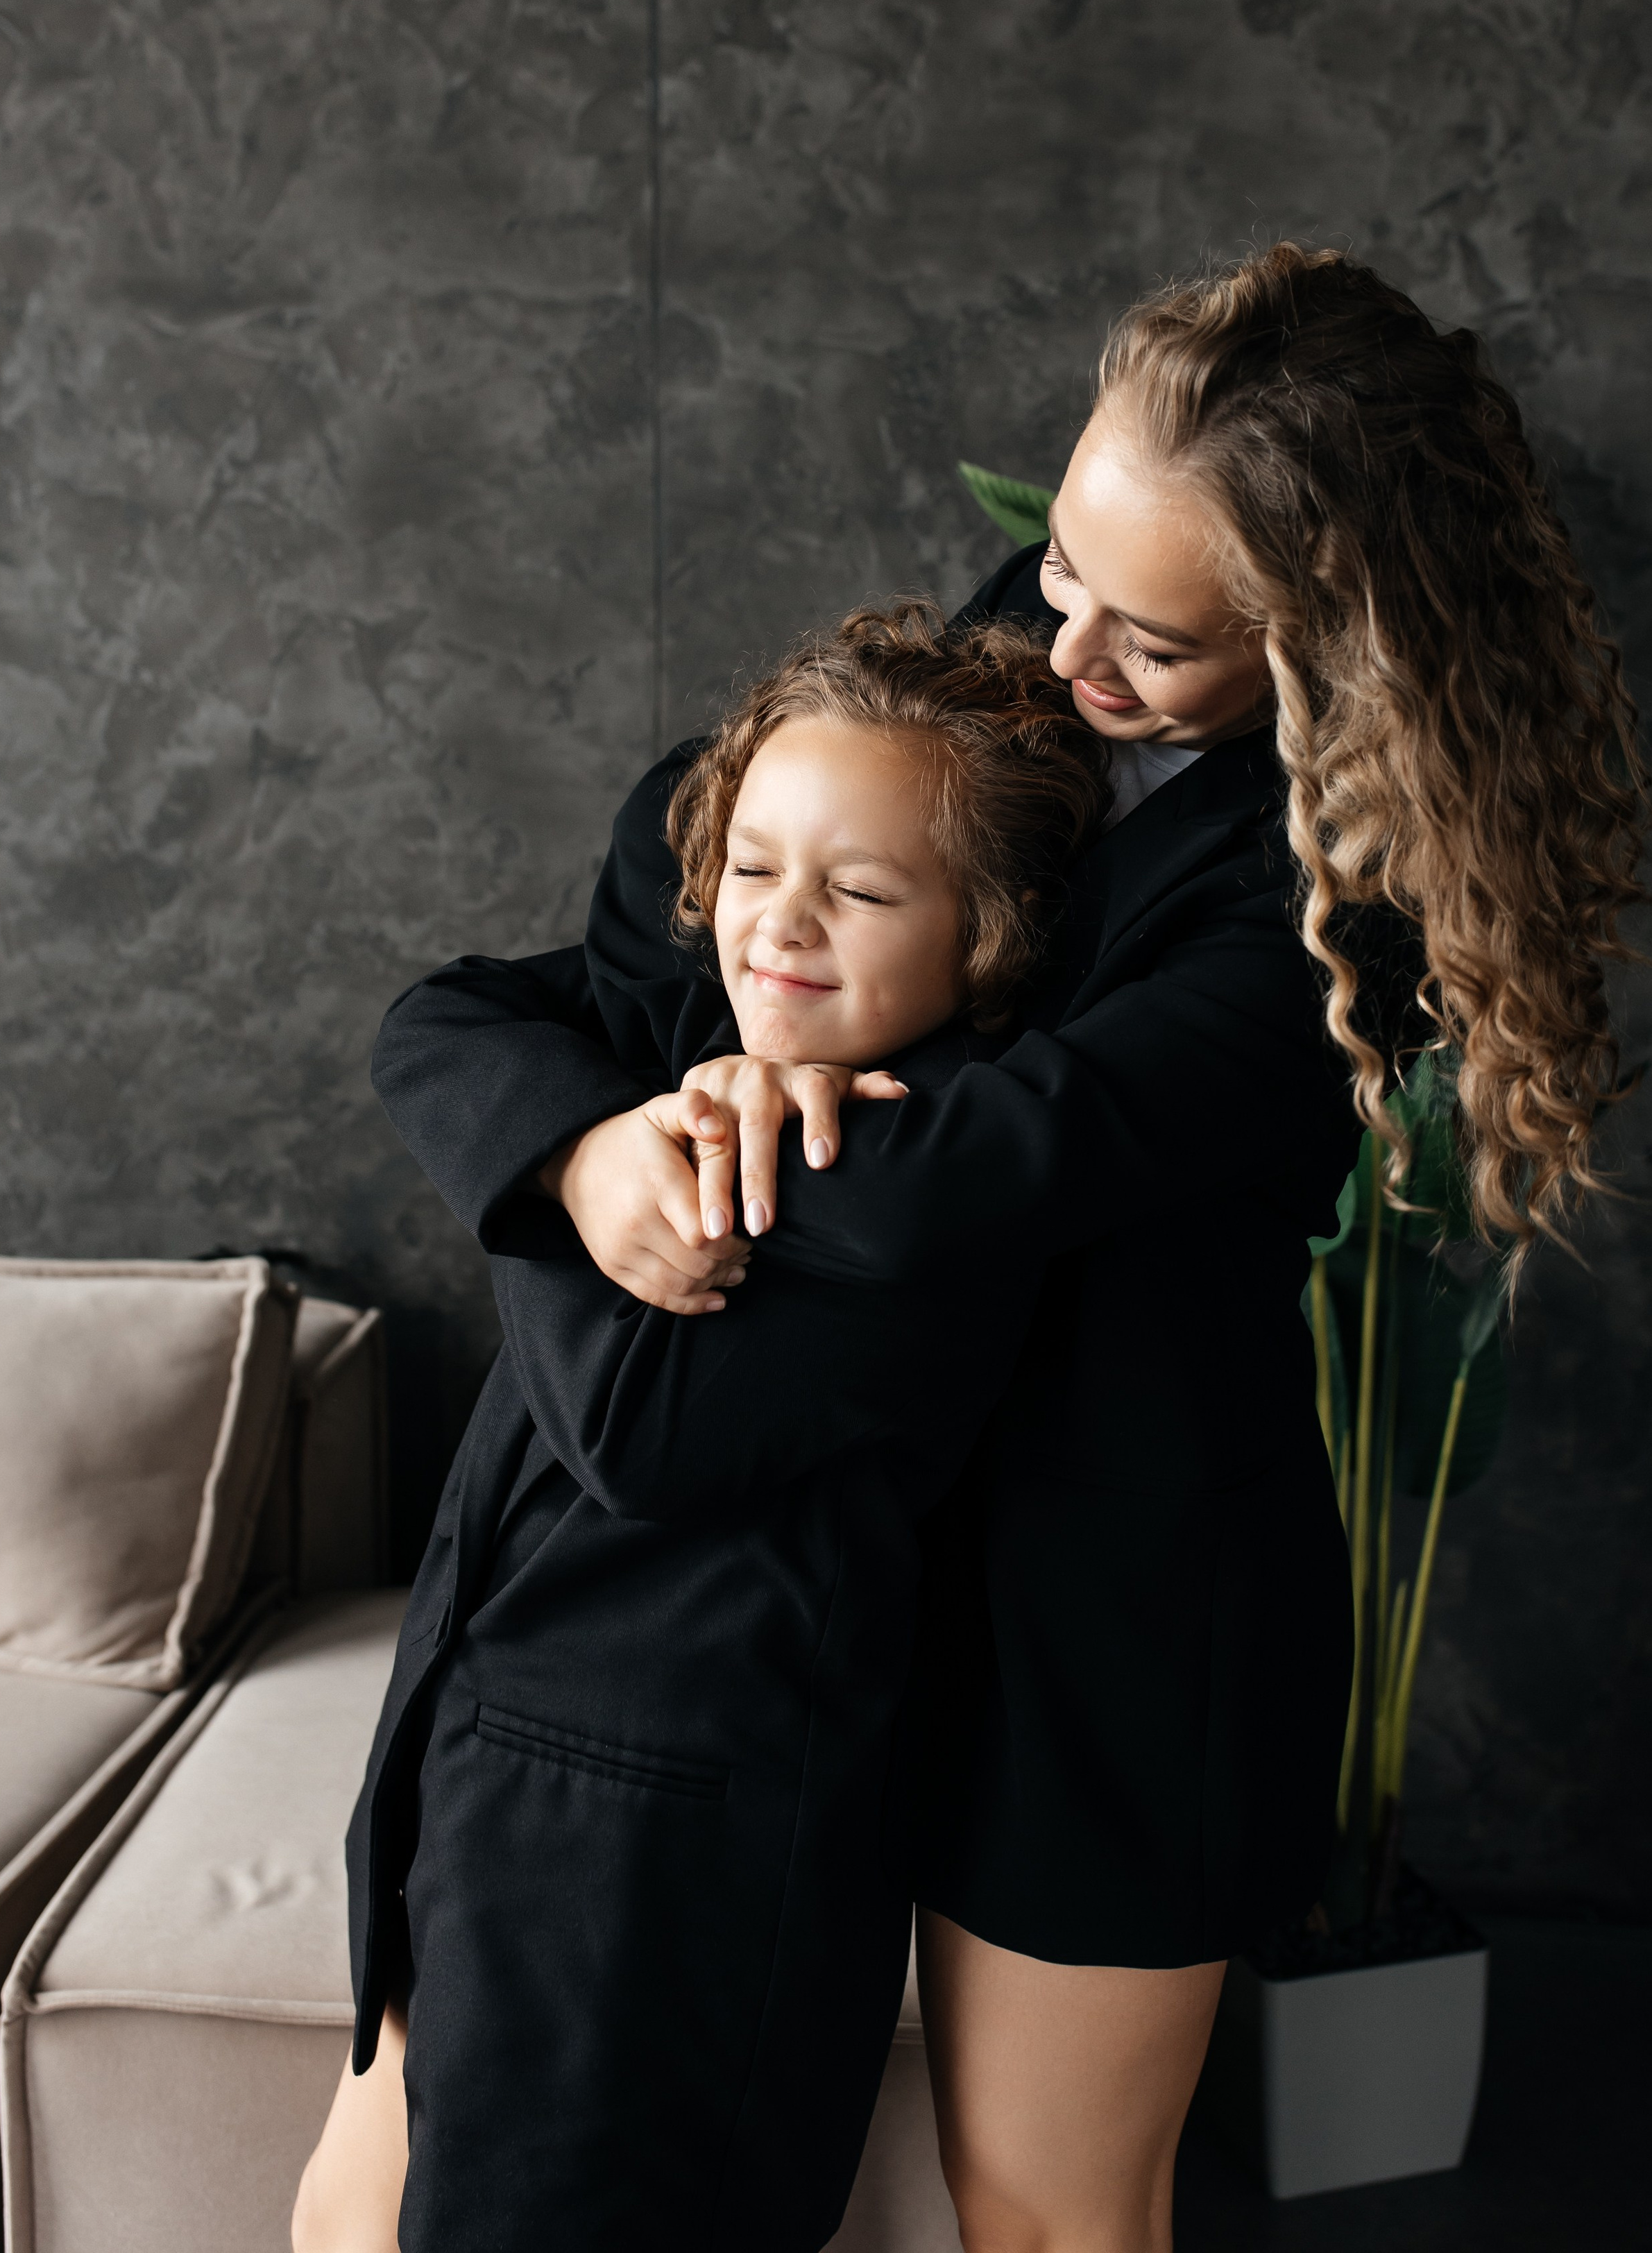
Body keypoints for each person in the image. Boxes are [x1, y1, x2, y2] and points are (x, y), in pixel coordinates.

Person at [340, 246, 1647, 2253]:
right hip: (837, 1582)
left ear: (1335, 654)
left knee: (1047, 2216)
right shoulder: (999, 663)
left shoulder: (1340, 913)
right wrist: (593, 1152)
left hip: (1102, 1632)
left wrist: (663, 1154)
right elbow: (579, 974)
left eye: (1158, 645)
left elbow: (972, 1162)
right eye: (1061, 574)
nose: (1066, 666)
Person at [293, 604, 1112, 2253]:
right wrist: (594, 1147)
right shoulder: (700, 1061)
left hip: (650, 1878)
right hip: (482, 1786)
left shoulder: (904, 1173)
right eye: (749, 867)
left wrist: (560, 1179)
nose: (777, 929)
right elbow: (436, 1018)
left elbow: (632, 1420)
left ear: (987, 939)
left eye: (861, 891)